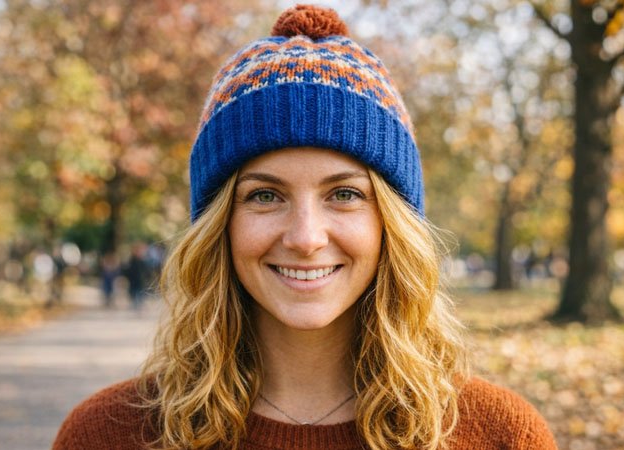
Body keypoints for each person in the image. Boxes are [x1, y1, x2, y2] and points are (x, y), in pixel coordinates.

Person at [53, 5, 557, 449]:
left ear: (392, 225)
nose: (306, 237)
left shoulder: (499, 436)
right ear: (218, 226)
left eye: (344, 194)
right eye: (265, 196)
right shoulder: (109, 435)